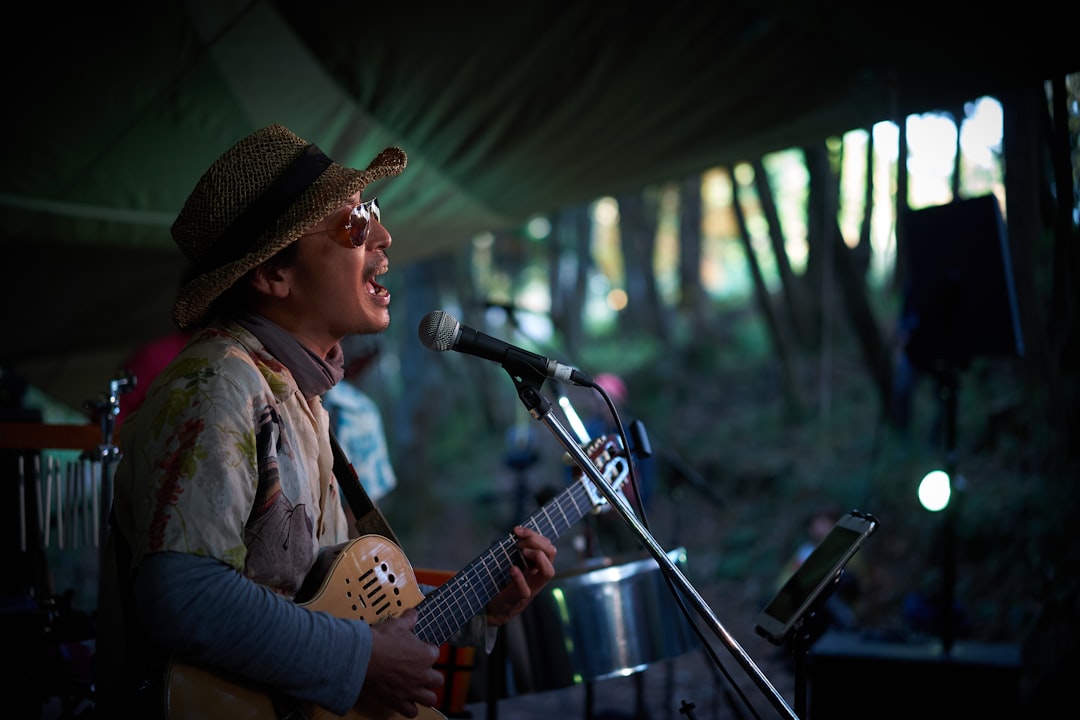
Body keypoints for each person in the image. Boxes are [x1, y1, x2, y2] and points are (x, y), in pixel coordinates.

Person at [95, 124, 557, 719]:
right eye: (353, 224)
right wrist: (358, 660)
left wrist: (473, 610)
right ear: (272, 276)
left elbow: (329, 607)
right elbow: (181, 595)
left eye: (372, 211)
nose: (384, 236)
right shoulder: (218, 386)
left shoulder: (295, 393)